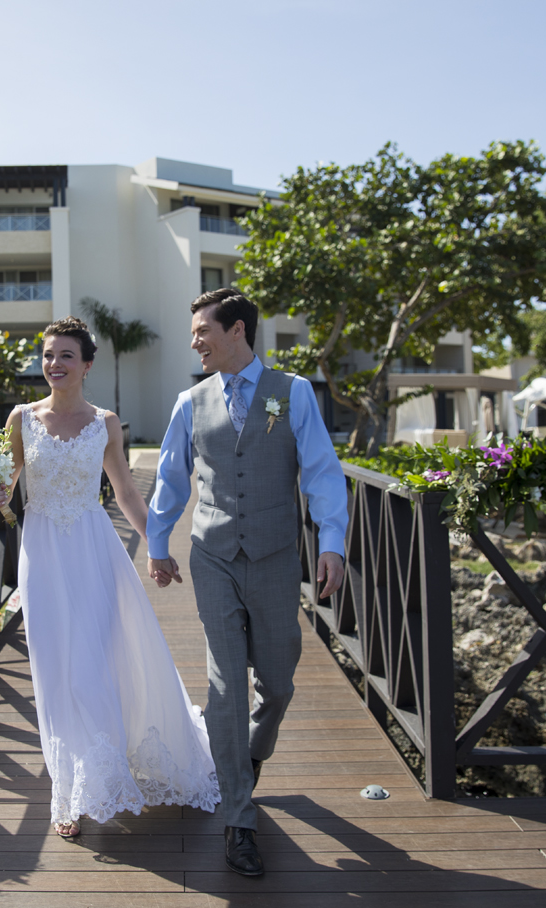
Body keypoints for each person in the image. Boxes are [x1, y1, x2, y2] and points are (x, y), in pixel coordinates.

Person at [0, 316, 219, 841]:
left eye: (66, 355)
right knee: (54, 668)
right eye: (47, 355)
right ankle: (67, 792)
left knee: (96, 660)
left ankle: (100, 773)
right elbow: (5, 483)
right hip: (42, 553)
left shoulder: (106, 422)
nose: (54, 364)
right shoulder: (20, 419)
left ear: (87, 365)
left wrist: (156, 547)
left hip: (94, 550)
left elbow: (127, 493)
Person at [146, 288, 348, 877]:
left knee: (278, 681)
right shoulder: (190, 400)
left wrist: (331, 541)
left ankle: (252, 751)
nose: (195, 342)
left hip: (276, 556)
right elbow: (170, 478)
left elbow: (321, 471)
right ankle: (239, 818)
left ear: (237, 330)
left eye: (203, 331)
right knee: (227, 686)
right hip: (211, 555)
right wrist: (157, 544)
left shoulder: (295, 393)